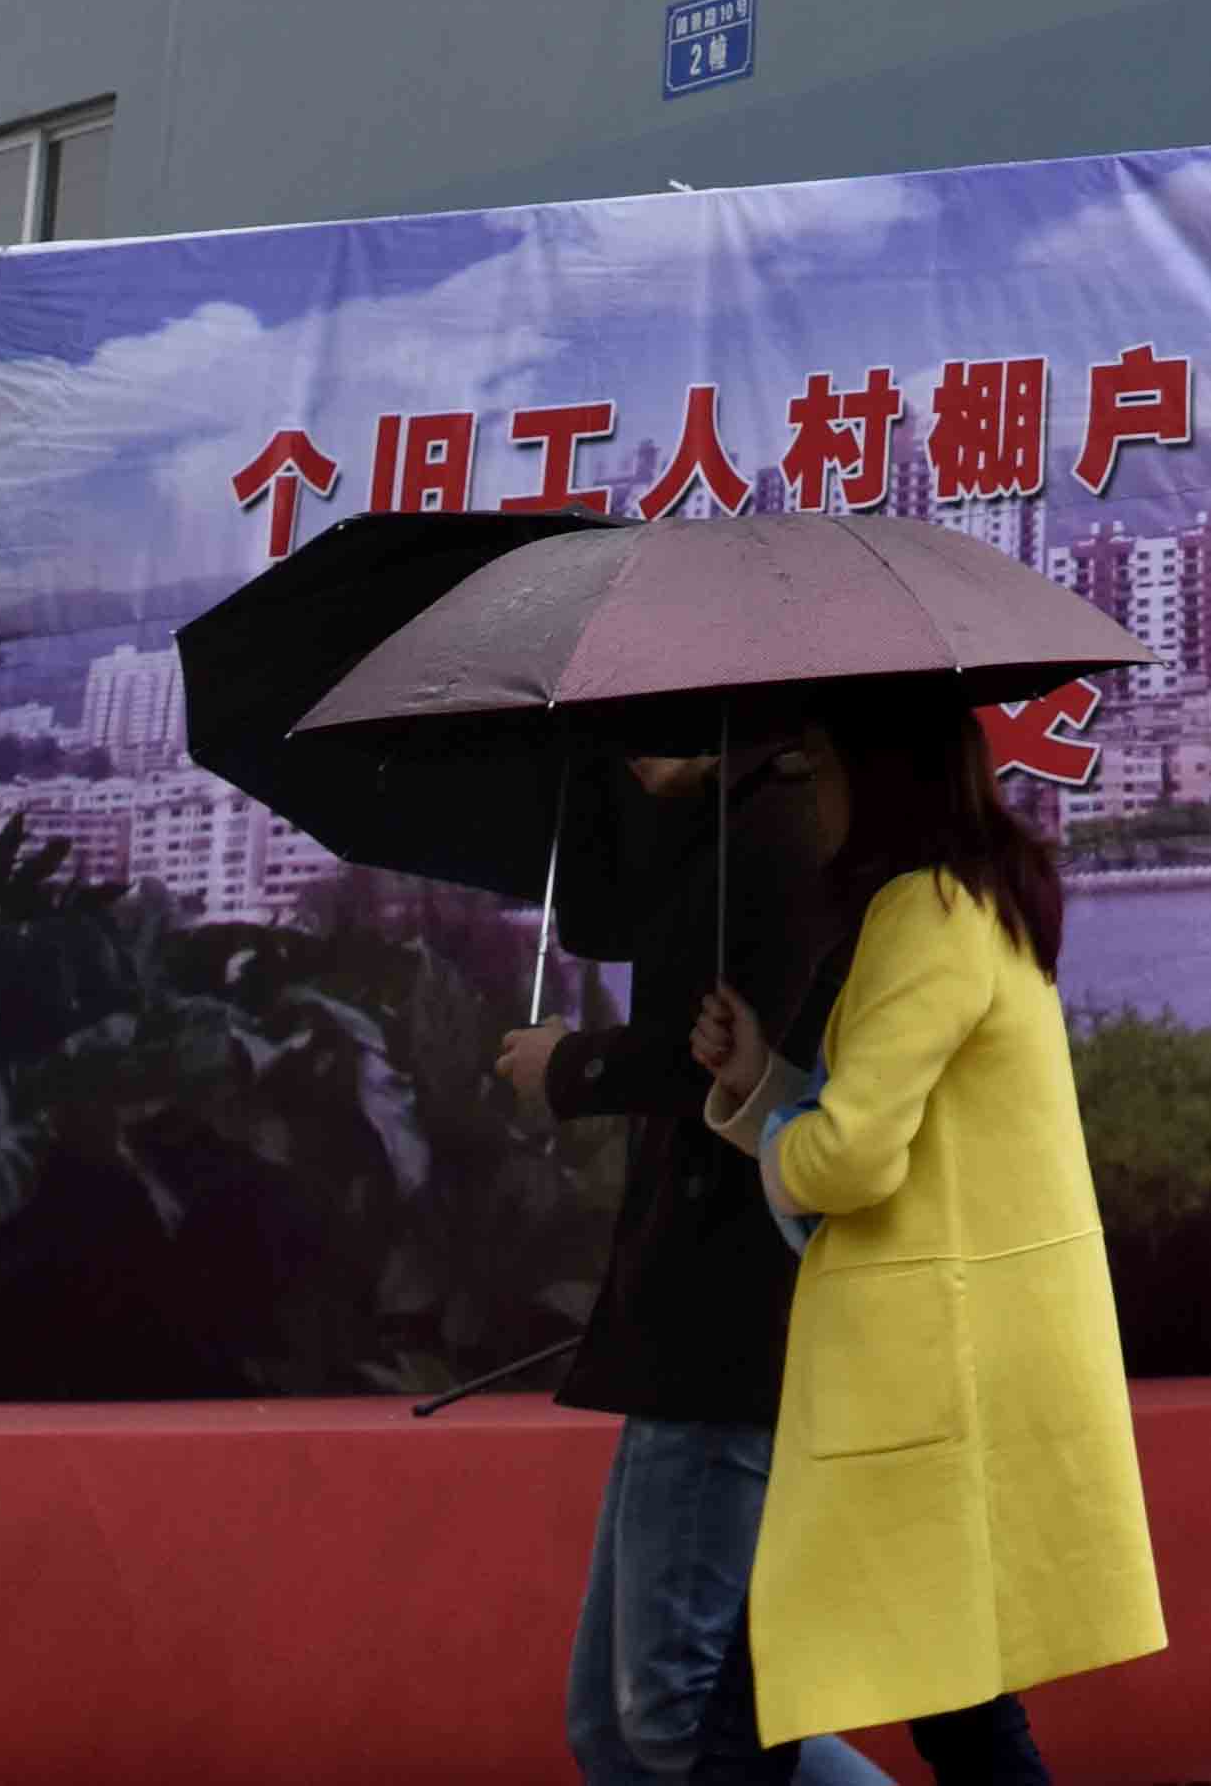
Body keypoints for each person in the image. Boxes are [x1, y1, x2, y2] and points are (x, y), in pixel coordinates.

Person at [697, 691, 1166, 1785]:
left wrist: (778, 1137)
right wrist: (762, 1085)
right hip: (943, 1378)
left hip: (919, 1383)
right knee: (954, 1708)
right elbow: (879, 1130)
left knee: (750, 1720)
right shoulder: (978, 898)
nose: (811, 795)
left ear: (877, 770)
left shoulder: (924, 909)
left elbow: (852, 1157)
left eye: (818, 766)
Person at [496, 732, 860, 1786]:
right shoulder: (717, 821)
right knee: (615, 1729)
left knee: (673, 1712)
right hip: (678, 1305)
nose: (629, 739)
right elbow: (602, 917)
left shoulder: (781, 830)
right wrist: (593, 769)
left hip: (725, 1308)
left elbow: (718, 1055)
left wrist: (568, 1063)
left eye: (648, 714)